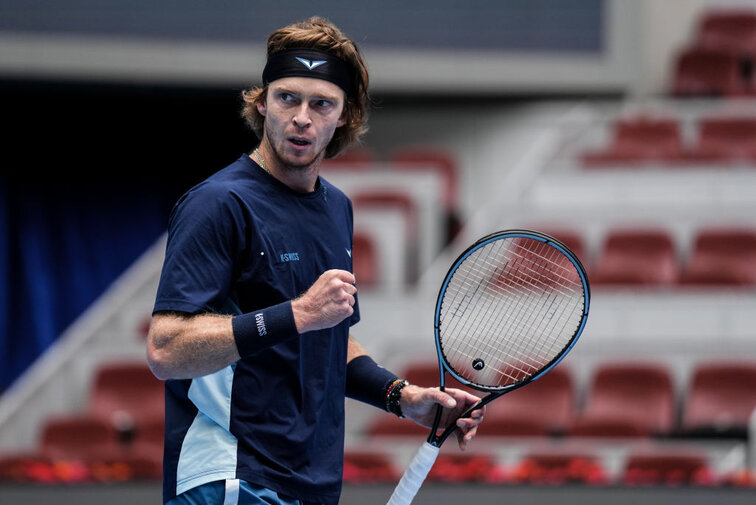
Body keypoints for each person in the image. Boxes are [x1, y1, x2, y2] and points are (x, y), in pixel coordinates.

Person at [146, 16, 484, 505]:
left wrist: (402, 397)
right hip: (232, 476)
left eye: (321, 103)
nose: (302, 117)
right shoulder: (218, 203)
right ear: (262, 103)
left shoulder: (337, 208)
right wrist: (297, 313)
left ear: (344, 116)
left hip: (312, 482)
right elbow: (166, 349)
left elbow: (328, 342)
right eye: (287, 98)